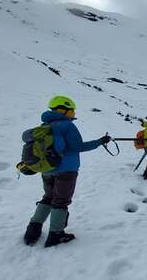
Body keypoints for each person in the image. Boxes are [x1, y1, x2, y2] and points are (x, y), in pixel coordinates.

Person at [23, 95, 111, 247]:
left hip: (47, 169)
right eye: (71, 111)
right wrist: (100, 141)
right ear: (63, 110)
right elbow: (78, 147)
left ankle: (32, 231)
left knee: (48, 198)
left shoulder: (45, 125)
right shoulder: (67, 126)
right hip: (67, 170)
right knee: (61, 201)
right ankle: (56, 235)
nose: (73, 114)